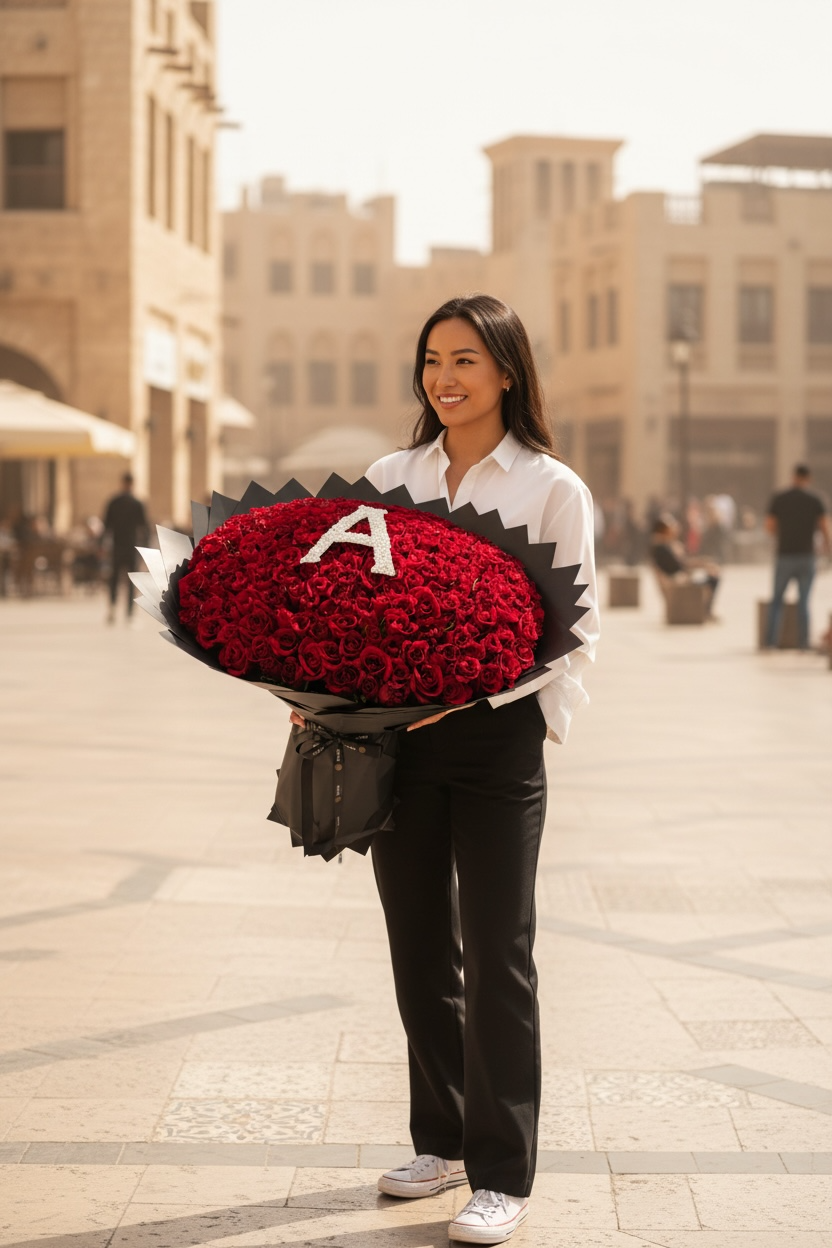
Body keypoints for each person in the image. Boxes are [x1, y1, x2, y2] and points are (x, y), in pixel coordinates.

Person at [292, 295, 598, 1243]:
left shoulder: (553, 487)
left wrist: (467, 690)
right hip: (395, 739)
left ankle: (503, 1173)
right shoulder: (391, 476)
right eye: (432, 359)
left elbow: (573, 636)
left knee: (498, 949)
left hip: (496, 740)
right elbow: (344, 595)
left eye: (466, 359)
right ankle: (444, 1140)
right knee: (420, 943)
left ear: (508, 370)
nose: (446, 378)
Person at [764, 464, 830, 650]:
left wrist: (782, 535)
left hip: (784, 554)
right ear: (808, 479)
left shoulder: (780, 498)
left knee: (777, 600)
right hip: (806, 556)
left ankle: (771, 642)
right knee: (804, 601)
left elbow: (769, 526)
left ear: (793, 477)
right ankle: (803, 643)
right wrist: (827, 548)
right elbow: (825, 527)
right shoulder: (815, 499)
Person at [649, 514, 721, 619]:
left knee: (713, 576)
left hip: (679, 580)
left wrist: (703, 564)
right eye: (670, 526)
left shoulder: (664, 545)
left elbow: (681, 564)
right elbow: (681, 566)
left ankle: (706, 611)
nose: (674, 528)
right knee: (713, 579)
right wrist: (703, 564)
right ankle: (706, 612)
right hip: (678, 583)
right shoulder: (661, 548)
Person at [102, 473, 149, 623]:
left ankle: (113, 608)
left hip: (117, 546)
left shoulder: (114, 502)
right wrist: (145, 549)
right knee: (130, 581)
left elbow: (106, 526)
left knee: (114, 579)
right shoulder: (137, 503)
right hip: (131, 546)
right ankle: (129, 613)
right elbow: (144, 528)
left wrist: (102, 544)